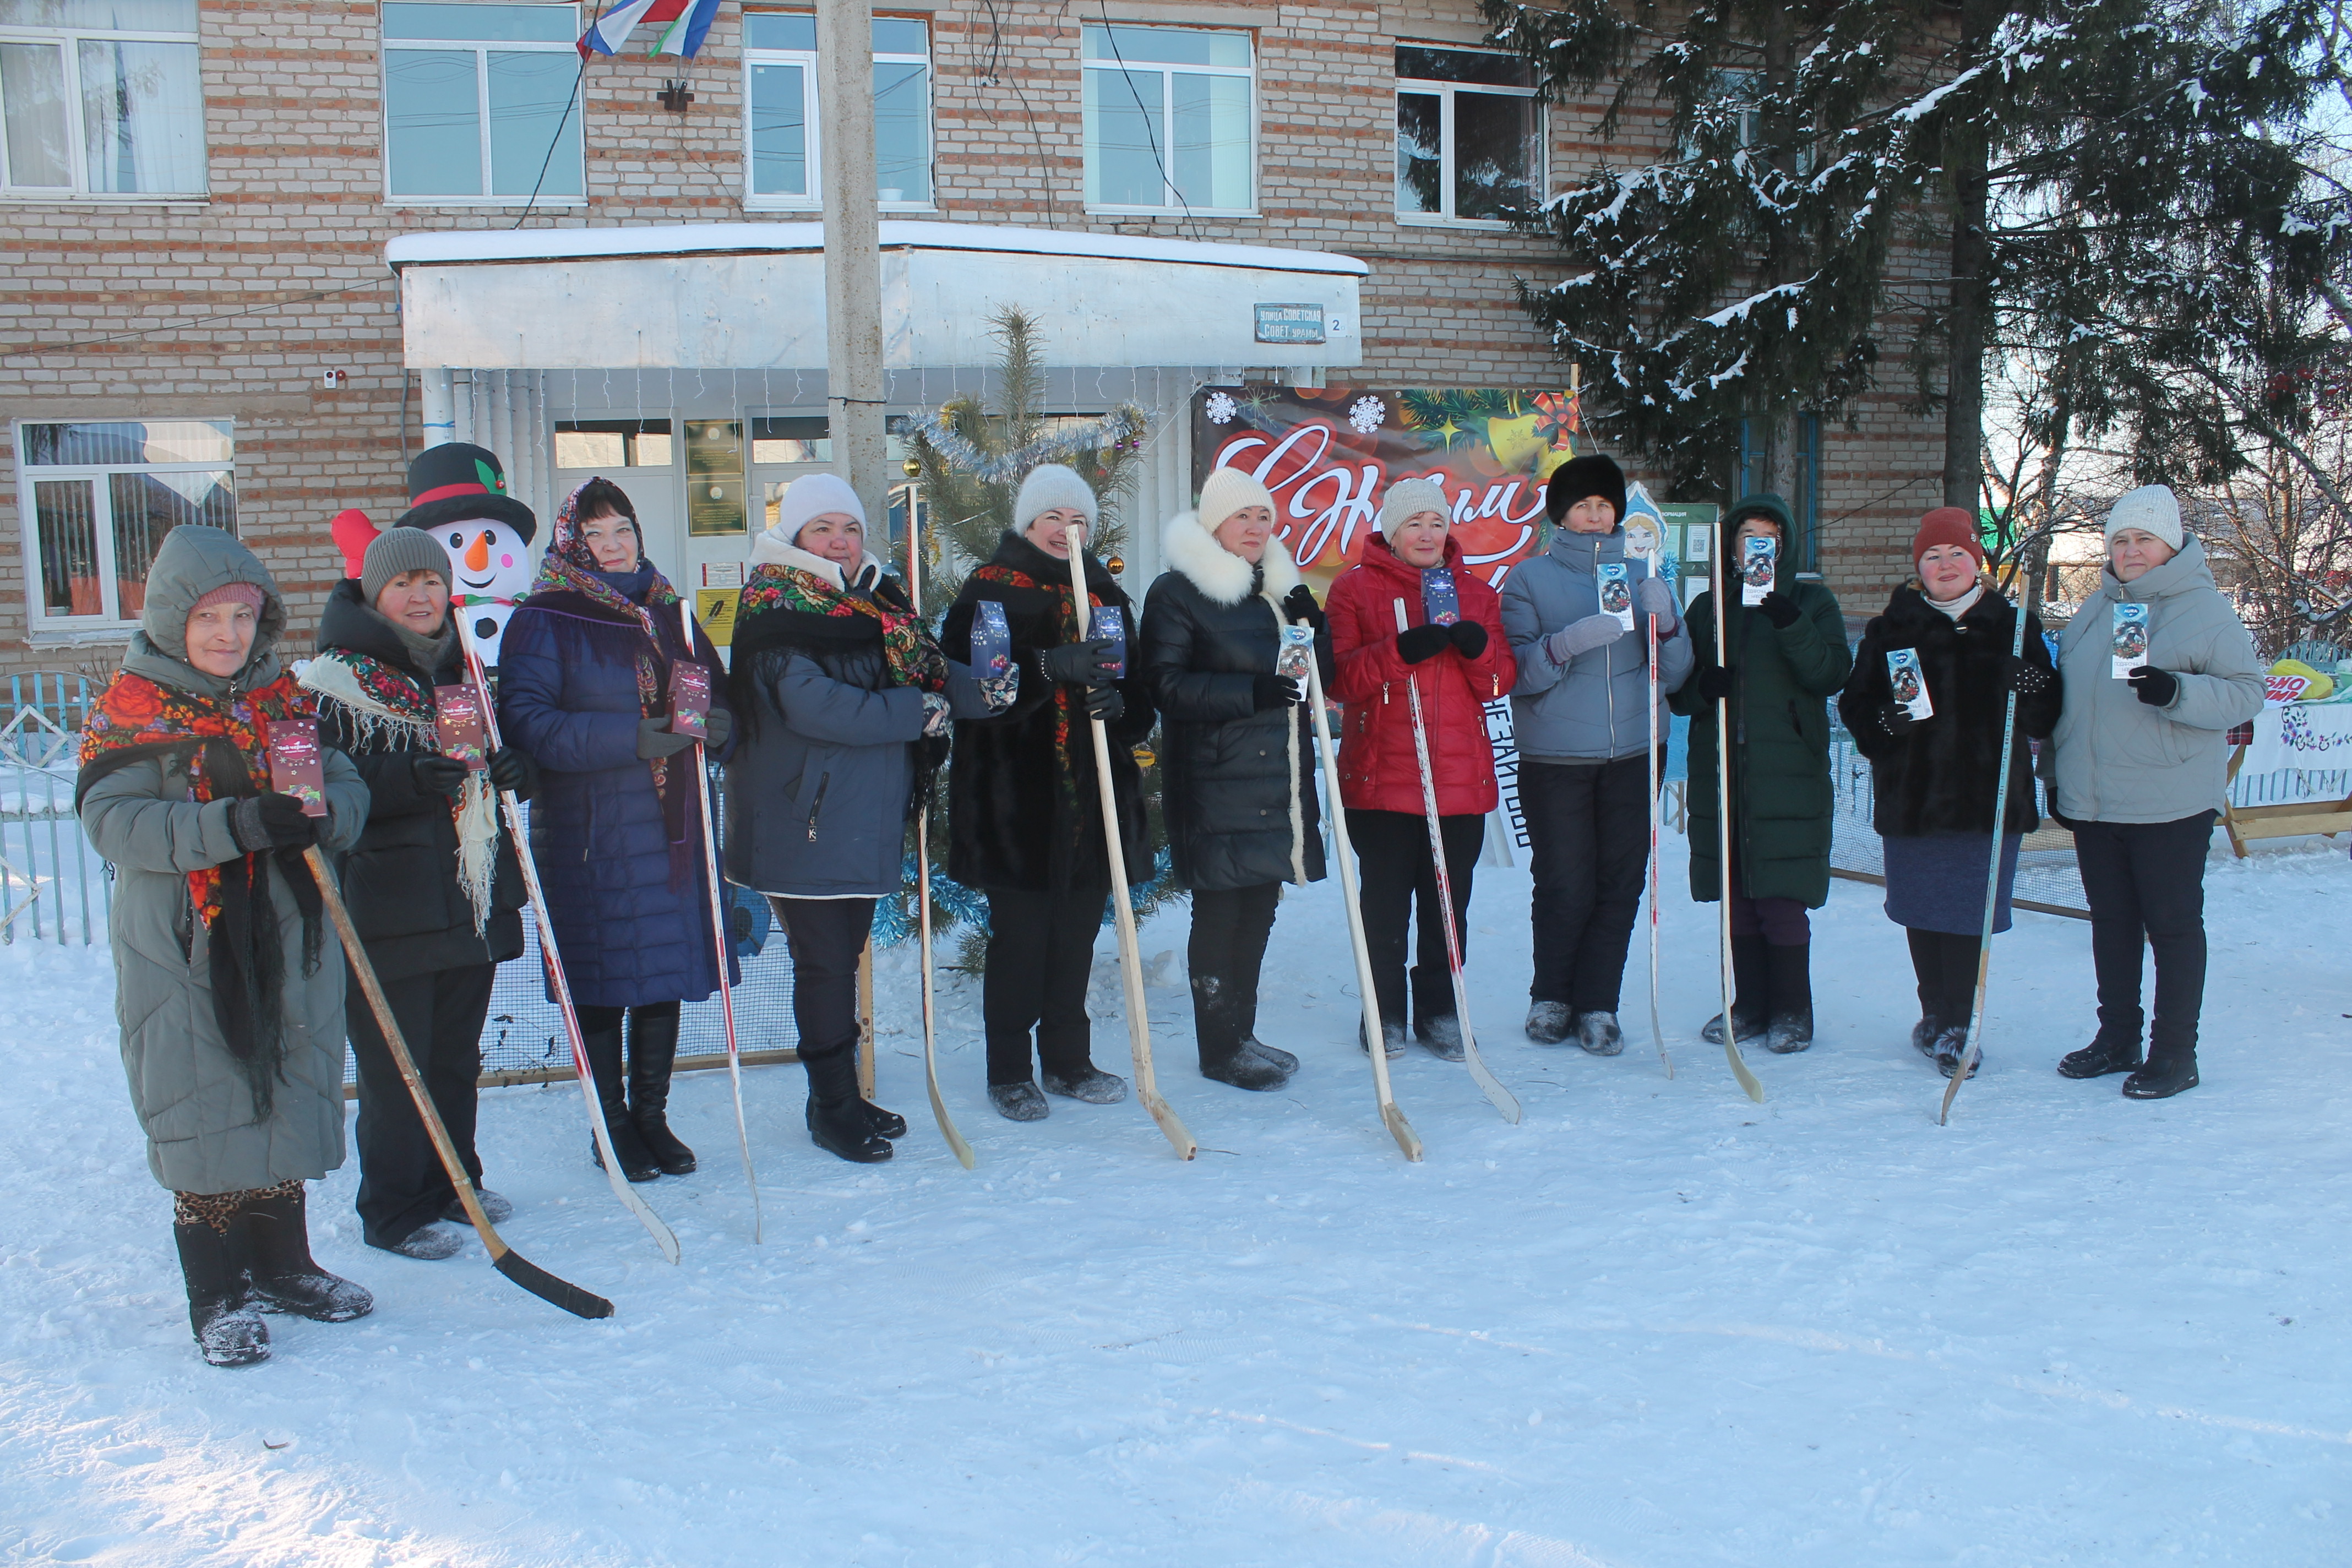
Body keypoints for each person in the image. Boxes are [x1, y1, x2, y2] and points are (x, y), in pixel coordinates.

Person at [77, 525, 373, 1368]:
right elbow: (113, 821)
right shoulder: (133, 708)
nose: (227, 636)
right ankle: (219, 1293)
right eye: (209, 617)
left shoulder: (285, 699)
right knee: (203, 1097)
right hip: (187, 943)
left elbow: (343, 782)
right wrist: (233, 823)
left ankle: (284, 1266)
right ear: (173, 619)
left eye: (243, 618)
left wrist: (322, 813)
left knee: (282, 1084)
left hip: (289, 928)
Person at [726, 473, 1009, 1161]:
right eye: (823, 529)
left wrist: (989, 690)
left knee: (839, 959)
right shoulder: (776, 606)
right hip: (802, 820)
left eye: (849, 528)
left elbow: (930, 674)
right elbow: (818, 706)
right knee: (823, 965)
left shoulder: (876, 602)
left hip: (857, 817)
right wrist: (919, 713)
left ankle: (841, 1095)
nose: (840, 540)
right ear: (795, 537)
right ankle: (830, 1107)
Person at [303, 525, 536, 1257]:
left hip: (466, 895)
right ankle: (394, 1210)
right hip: (387, 903)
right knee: (395, 1066)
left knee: (453, 1059)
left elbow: (492, 757)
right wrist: (402, 782)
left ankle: (454, 1183)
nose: (420, 595)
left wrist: (511, 771)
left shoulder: (463, 670)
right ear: (374, 594)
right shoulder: (331, 684)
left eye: (431, 581)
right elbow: (312, 793)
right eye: (403, 583)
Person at [498, 477, 736, 1179]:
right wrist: (634, 738)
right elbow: (530, 724)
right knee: (601, 974)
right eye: (595, 534)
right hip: (591, 830)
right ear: (572, 543)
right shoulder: (545, 617)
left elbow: (713, 695)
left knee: (661, 966)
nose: (611, 546)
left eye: (622, 530)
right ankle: (610, 1124)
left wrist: (721, 727)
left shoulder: (671, 611)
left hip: (673, 827)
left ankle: (651, 1117)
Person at [941, 465, 1157, 1121]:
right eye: (1053, 519)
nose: (1067, 532)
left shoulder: (1107, 594)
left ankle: (1068, 1059)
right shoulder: (988, 592)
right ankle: (1008, 1069)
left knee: (1075, 939)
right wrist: (1044, 668)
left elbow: (1142, 704)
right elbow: (975, 696)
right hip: (1017, 803)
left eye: (1079, 521)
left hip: (1093, 805)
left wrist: (1119, 705)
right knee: (1022, 940)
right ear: (1028, 524)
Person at [2048, 484, 2262, 1099]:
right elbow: (2076, 696)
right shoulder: (2097, 607)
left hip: (2168, 801)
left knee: (2170, 926)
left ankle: (2174, 1054)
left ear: (2171, 546)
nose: (2131, 551)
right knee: (2112, 924)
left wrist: (2178, 693)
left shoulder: (2204, 610)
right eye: (2121, 540)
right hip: (2095, 799)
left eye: (2144, 539)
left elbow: (2248, 691)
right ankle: (2117, 1038)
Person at [1838, 508, 2062, 1077]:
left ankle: (1963, 1023)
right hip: (1915, 798)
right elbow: (1856, 707)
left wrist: (2035, 686)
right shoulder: (1893, 628)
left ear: (1978, 565)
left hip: (1988, 802)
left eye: (1956, 554)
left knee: (1970, 914)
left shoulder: (2013, 626)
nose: (1945, 565)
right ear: (1919, 567)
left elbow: (2044, 716)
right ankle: (1935, 1012)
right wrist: (1886, 723)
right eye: (1933, 556)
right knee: (1923, 911)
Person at [1139, 468, 1330, 1092]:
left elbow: (1313, 679)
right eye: (1242, 516)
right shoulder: (1178, 592)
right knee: (1222, 911)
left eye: (1264, 517)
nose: (1256, 528)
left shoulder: (1277, 589)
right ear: (1213, 524)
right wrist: (1247, 691)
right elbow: (1164, 686)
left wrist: (1312, 621)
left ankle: (1242, 1033)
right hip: (1217, 777)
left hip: (1277, 775)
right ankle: (1219, 1047)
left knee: (1258, 909)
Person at [1500, 454, 1693, 1053]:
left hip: (1636, 751)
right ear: (1561, 513)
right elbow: (1518, 674)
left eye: (1603, 506)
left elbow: (1679, 674)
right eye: (1581, 505)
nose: (1592, 516)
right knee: (1563, 880)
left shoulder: (1644, 577)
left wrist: (1665, 627)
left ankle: (1599, 1003)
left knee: (1619, 881)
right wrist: (1566, 644)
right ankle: (1551, 996)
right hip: (1556, 757)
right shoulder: (1529, 579)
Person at [1326, 478, 1517, 1058]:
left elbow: (1499, 681)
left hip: (1457, 784)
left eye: (1436, 523)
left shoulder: (1476, 593)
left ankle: (1439, 1010)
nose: (1427, 534)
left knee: (1447, 907)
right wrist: (1398, 652)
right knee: (1384, 907)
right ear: (1391, 531)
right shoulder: (1354, 590)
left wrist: (1475, 645)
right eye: (1414, 524)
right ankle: (1382, 1014)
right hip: (1381, 780)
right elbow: (1339, 680)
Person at [1670, 493, 1852, 1052]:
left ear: (1785, 545)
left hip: (1786, 771)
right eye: (1748, 537)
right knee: (1739, 893)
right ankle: (1749, 1003)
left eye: (1768, 538)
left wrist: (1791, 621)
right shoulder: (1710, 608)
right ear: (1732, 546)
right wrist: (1705, 688)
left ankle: (1794, 1010)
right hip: (1723, 769)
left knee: (1781, 896)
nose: (1757, 547)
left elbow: (1829, 673)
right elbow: (1683, 696)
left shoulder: (1813, 601)